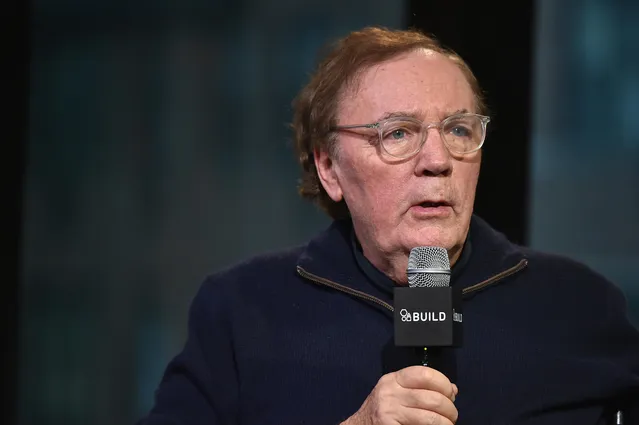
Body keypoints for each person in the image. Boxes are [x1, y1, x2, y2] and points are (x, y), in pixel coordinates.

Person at [137, 26, 639, 425]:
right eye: (398, 133)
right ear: (330, 168)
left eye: (458, 129)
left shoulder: (579, 305)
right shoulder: (243, 310)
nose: (438, 160)